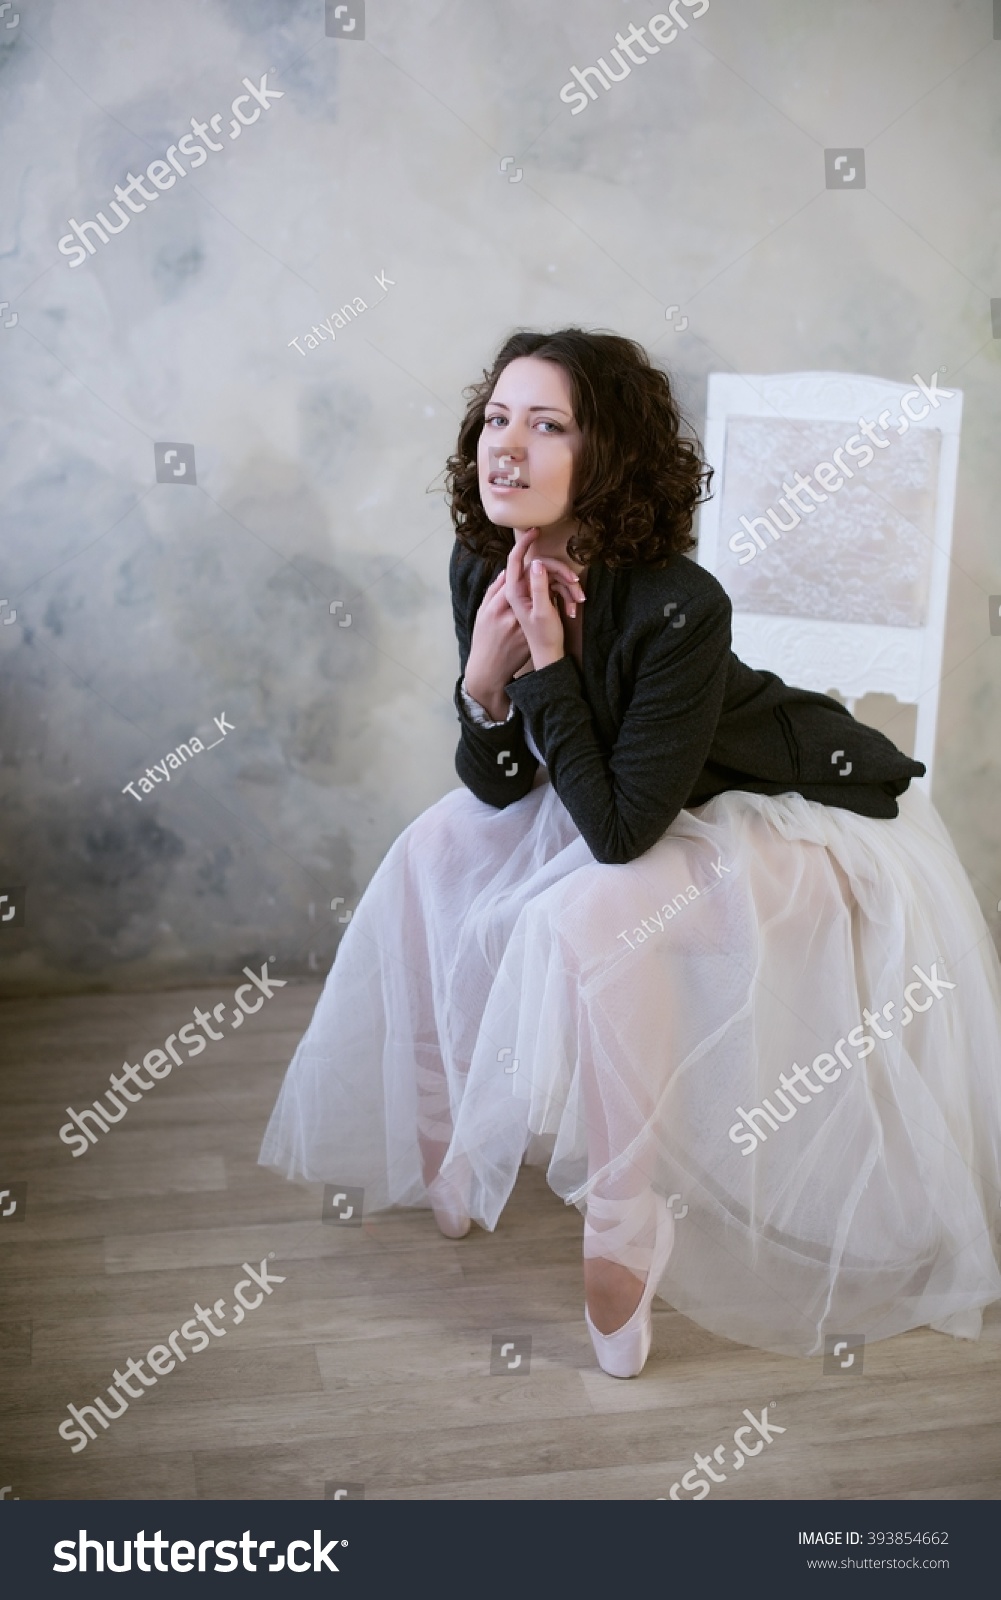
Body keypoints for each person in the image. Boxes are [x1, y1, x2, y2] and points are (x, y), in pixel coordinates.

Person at [260, 328, 1001, 1379]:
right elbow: (501, 784)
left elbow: (616, 838)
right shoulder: (485, 559)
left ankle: (623, 1212)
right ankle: (445, 1118)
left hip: (792, 809)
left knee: (594, 917)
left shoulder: (677, 606)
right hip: (636, 798)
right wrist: (483, 681)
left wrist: (549, 664)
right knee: (433, 849)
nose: (504, 445)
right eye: (497, 417)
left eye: (546, 423)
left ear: (603, 456)